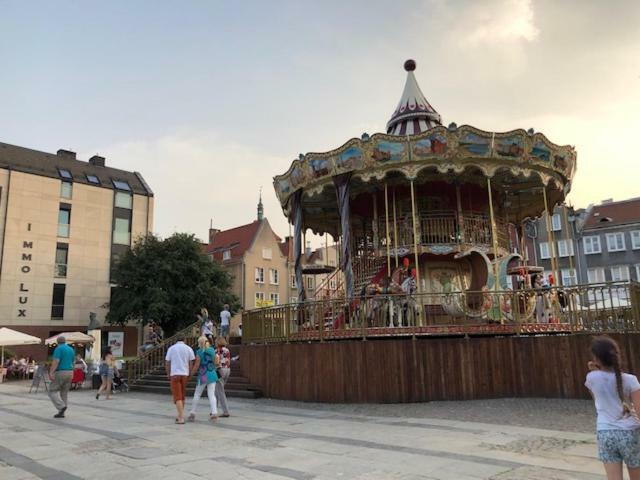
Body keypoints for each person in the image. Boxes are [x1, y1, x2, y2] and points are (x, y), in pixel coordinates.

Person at [585, 335, 640, 480]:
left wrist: (593, 370)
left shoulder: (591, 378)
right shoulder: (631, 380)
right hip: (630, 433)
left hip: (605, 432)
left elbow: (596, 398)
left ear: (596, 359)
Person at [187, 336, 219, 422]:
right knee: (211, 395)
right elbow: (216, 362)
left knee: (197, 394)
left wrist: (191, 374)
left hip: (203, 374)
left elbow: (197, 365)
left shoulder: (199, 352)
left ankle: (192, 413)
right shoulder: (212, 350)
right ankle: (214, 413)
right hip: (212, 373)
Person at [165, 335, 195, 424]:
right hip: (184, 373)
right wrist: (190, 373)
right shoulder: (188, 348)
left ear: (176, 340)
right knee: (182, 395)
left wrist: (168, 372)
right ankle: (179, 415)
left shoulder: (172, 348)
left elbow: (167, 362)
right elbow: (191, 362)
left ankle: (181, 417)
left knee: (177, 396)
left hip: (175, 373)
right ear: (184, 340)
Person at [48, 336, 75, 418]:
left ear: (57, 342)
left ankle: (61, 406)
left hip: (61, 371)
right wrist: (72, 371)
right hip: (70, 371)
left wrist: (51, 372)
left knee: (52, 391)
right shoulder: (71, 349)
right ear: (65, 341)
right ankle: (61, 413)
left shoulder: (58, 349)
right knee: (64, 392)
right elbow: (73, 362)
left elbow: (56, 361)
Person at [215, 337, 231, 418]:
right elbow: (228, 360)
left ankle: (226, 411)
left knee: (220, 391)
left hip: (219, 370)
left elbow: (216, 362)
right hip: (227, 370)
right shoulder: (227, 350)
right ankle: (214, 409)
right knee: (217, 390)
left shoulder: (217, 350)